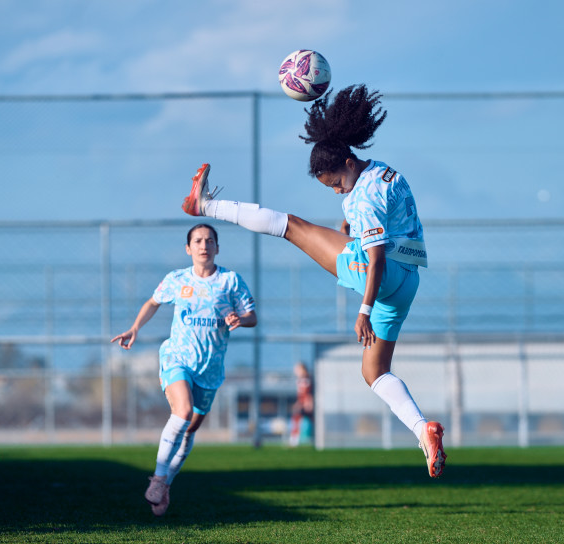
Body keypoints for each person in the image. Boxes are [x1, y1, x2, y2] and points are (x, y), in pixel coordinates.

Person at [181, 84, 447, 478]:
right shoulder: (387, 173)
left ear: (346, 162)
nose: (338, 190)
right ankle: (423, 430)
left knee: (291, 227)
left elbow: (374, 259)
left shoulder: (361, 198)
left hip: (382, 275)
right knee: (374, 372)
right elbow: (388, 227)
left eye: (336, 182)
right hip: (409, 281)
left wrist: (364, 310)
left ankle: (204, 205)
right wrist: (353, 231)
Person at [111, 223, 257, 516]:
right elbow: (153, 302)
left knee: (189, 430)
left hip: (210, 368)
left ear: (217, 247)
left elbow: (252, 316)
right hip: (178, 359)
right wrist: (135, 328)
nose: (204, 246)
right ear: (188, 249)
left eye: (209, 241)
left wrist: (240, 319)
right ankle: (158, 477)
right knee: (183, 411)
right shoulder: (176, 280)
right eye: (198, 241)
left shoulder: (231, 281)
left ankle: (166, 484)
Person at [289, 361, 314, 447]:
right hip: (302, 403)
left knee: (298, 417)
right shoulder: (301, 379)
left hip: (306, 404)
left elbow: (307, 393)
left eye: (297, 369)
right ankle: (294, 439)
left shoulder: (306, 379)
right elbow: (301, 395)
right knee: (297, 418)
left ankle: (294, 440)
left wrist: (308, 402)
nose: (295, 371)